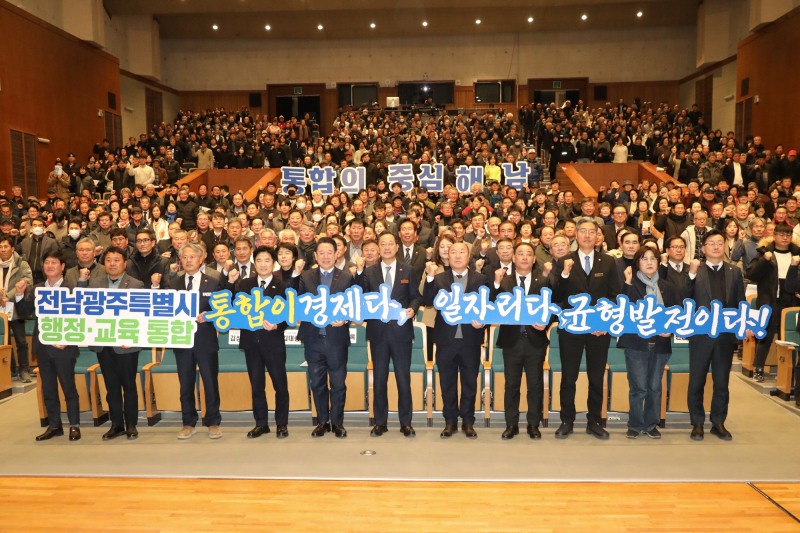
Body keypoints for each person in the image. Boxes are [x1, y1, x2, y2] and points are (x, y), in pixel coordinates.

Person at [551, 218, 620, 440]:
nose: (588, 235)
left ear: (598, 236)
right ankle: (566, 420)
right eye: (583, 231)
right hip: (571, 330)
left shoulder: (608, 262)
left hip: (598, 331)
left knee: (596, 376)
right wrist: (564, 274)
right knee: (568, 376)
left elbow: (614, 296)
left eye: (592, 232)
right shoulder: (565, 261)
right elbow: (557, 298)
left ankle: (594, 421)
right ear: (576, 235)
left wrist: (604, 324)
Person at [355, 231, 421, 438]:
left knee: (403, 379)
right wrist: (358, 272)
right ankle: (380, 422)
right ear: (378, 248)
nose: (386, 247)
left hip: (402, 332)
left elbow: (416, 297)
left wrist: (412, 309)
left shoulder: (408, 270)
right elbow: (360, 295)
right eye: (382, 244)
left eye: (390, 244)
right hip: (378, 333)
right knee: (380, 379)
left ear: (397, 246)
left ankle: (406, 422)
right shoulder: (370, 271)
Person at [161, 242, 230, 440]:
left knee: (210, 382)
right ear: (180, 260)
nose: (188, 260)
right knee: (185, 384)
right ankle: (188, 422)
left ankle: (213, 421)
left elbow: (223, 308)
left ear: (201, 259)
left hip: (205, 339)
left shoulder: (214, 281)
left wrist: (210, 314)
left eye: (192, 256)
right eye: (185, 257)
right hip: (182, 340)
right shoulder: (173, 284)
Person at [685, 230, 746, 441]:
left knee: (722, 381)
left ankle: (718, 422)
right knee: (697, 381)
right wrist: (691, 276)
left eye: (720, 243)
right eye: (711, 243)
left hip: (724, 336)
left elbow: (741, 303)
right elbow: (684, 299)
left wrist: (742, 325)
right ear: (703, 249)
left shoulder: (734, 272)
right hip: (701, 336)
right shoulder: (694, 270)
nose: (716, 247)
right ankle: (697, 423)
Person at [423, 242, 488, 439]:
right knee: (447, 383)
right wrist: (429, 278)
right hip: (446, 339)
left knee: (470, 383)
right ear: (447, 257)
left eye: (462, 252)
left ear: (469, 257)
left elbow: (486, 307)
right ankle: (450, 421)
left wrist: (482, 323)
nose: (458, 256)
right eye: (453, 252)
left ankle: (468, 421)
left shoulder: (481, 279)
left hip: (471, 339)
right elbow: (427, 300)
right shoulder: (439, 279)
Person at [290, 237, 353, 438]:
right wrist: (294, 275)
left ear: (337, 254)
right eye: (321, 253)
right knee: (316, 383)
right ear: (315, 256)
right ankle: (322, 422)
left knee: (338, 384)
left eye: (329, 252)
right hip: (313, 339)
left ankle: (337, 423)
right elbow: (294, 299)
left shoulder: (346, 277)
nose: (326, 256)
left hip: (336, 340)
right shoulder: (306, 276)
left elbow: (354, 304)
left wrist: (345, 320)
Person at [17, 251, 81, 441]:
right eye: (46, 262)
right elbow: (23, 313)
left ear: (62, 267)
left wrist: (67, 339)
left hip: (64, 347)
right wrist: (19, 295)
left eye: (54, 262)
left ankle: (75, 425)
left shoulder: (72, 290)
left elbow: (79, 320)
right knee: (49, 389)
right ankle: (55, 425)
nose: (49, 266)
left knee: (68, 387)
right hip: (43, 346)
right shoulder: (37, 289)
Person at [619, 247, 680, 439]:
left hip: (660, 344)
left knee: (654, 387)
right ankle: (635, 424)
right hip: (636, 343)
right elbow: (622, 310)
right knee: (639, 387)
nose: (649, 262)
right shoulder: (631, 283)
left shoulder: (667, 286)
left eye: (653, 258)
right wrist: (627, 283)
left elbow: (676, 313)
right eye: (644, 259)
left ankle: (651, 424)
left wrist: (669, 329)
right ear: (638, 263)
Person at [492, 242, 552, 440]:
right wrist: (495, 284)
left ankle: (533, 425)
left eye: (529, 254)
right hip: (512, 340)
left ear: (534, 259)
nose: (525, 257)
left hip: (535, 341)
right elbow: (492, 305)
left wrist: (546, 322)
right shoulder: (504, 281)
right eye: (521, 254)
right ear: (514, 258)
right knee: (512, 385)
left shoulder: (542, 281)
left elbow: (553, 307)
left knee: (535, 385)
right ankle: (512, 424)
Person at [87, 247, 145, 440]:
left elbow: (142, 316)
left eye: (116, 260)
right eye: (109, 260)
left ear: (124, 263)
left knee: (128, 386)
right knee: (111, 386)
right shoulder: (94, 284)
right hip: (103, 343)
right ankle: (116, 424)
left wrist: (134, 337)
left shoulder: (136, 285)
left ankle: (131, 424)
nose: (112, 263)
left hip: (126, 344)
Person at [233, 246, 289, 439]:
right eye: (259, 261)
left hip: (273, 343)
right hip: (251, 343)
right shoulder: (244, 285)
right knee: (257, 386)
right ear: (253, 263)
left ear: (273, 264)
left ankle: (281, 424)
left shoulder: (282, 286)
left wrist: (277, 326)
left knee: (280, 385)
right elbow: (236, 311)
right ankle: (261, 423)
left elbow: (289, 316)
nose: (263, 264)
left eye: (267, 261)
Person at [746, 223, 800, 382]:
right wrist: (764, 260)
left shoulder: (797, 254)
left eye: (788, 235)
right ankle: (759, 368)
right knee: (767, 335)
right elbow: (751, 274)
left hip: (792, 299)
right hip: (770, 300)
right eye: (782, 234)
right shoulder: (764, 252)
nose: (785, 238)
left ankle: (789, 374)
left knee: (790, 337)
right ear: (774, 235)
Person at [0, 236, 33, 382]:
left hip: (15, 306)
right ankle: (10, 369)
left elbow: (28, 281)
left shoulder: (21, 263)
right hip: (0, 308)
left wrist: (8, 296)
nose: (3, 249)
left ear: (12, 248)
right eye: (0, 247)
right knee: (4, 341)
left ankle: (24, 369)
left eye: (5, 246)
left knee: (21, 341)